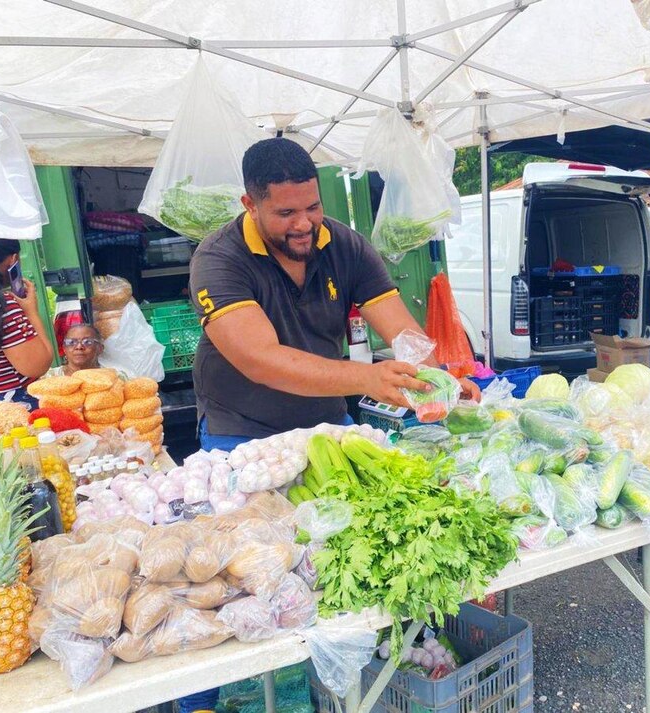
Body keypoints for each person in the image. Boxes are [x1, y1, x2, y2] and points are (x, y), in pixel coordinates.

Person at [180, 138, 478, 712]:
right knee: (236, 579)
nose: (304, 224)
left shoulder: (343, 244)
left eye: (312, 207)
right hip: (241, 437)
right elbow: (258, 358)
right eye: (286, 213)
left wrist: (438, 373)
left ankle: (340, 685)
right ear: (250, 203)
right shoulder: (218, 259)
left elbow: (399, 328)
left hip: (326, 433)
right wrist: (364, 378)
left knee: (331, 570)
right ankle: (210, 699)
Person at [0, 238, 53, 406]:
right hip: (7, 408)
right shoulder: (1, 305)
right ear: (13, 260)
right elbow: (37, 366)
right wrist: (32, 312)